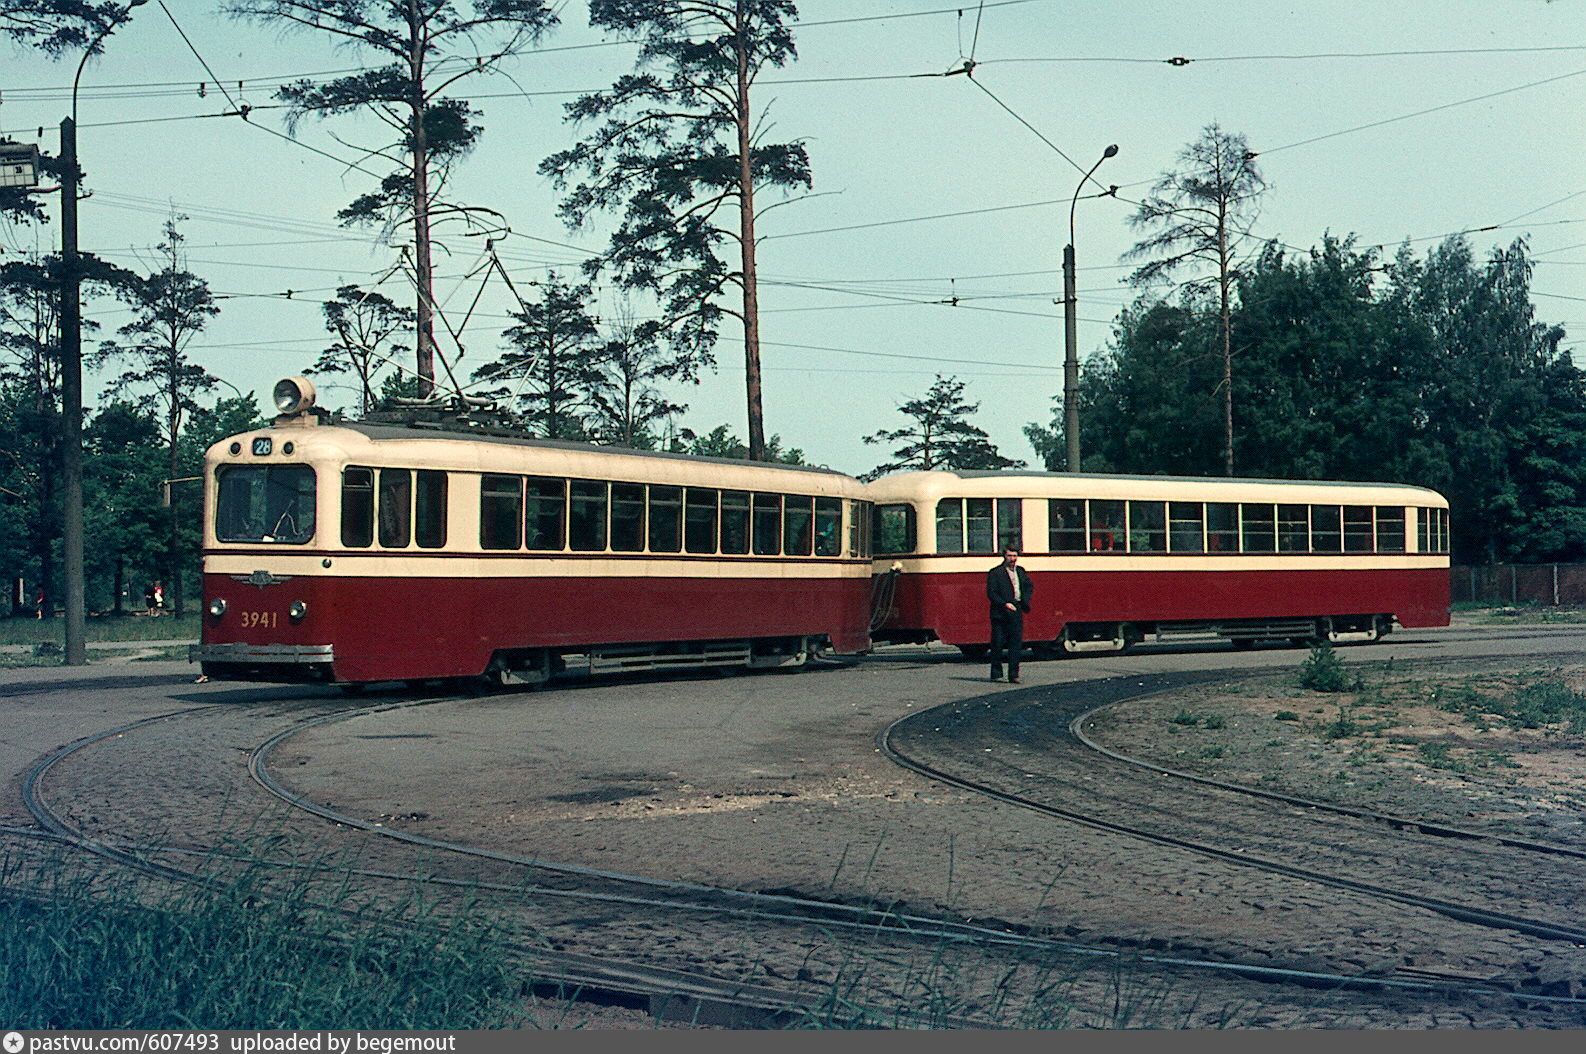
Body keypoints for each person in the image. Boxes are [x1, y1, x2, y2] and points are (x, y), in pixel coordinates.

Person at [986, 544, 1033, 683]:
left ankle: (1014, 674)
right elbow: (991, 593)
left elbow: (1029, 586)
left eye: (1014, 556)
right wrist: (1004, 604)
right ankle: (996, 673)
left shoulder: (1021, 571)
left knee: (1015, 644)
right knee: (997, 644)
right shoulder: (995, 573)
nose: (1012, 559)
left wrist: (1024, 600)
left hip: (1016, 610)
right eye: (1010, 556)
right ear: (1004, 556)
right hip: (1000, 612)